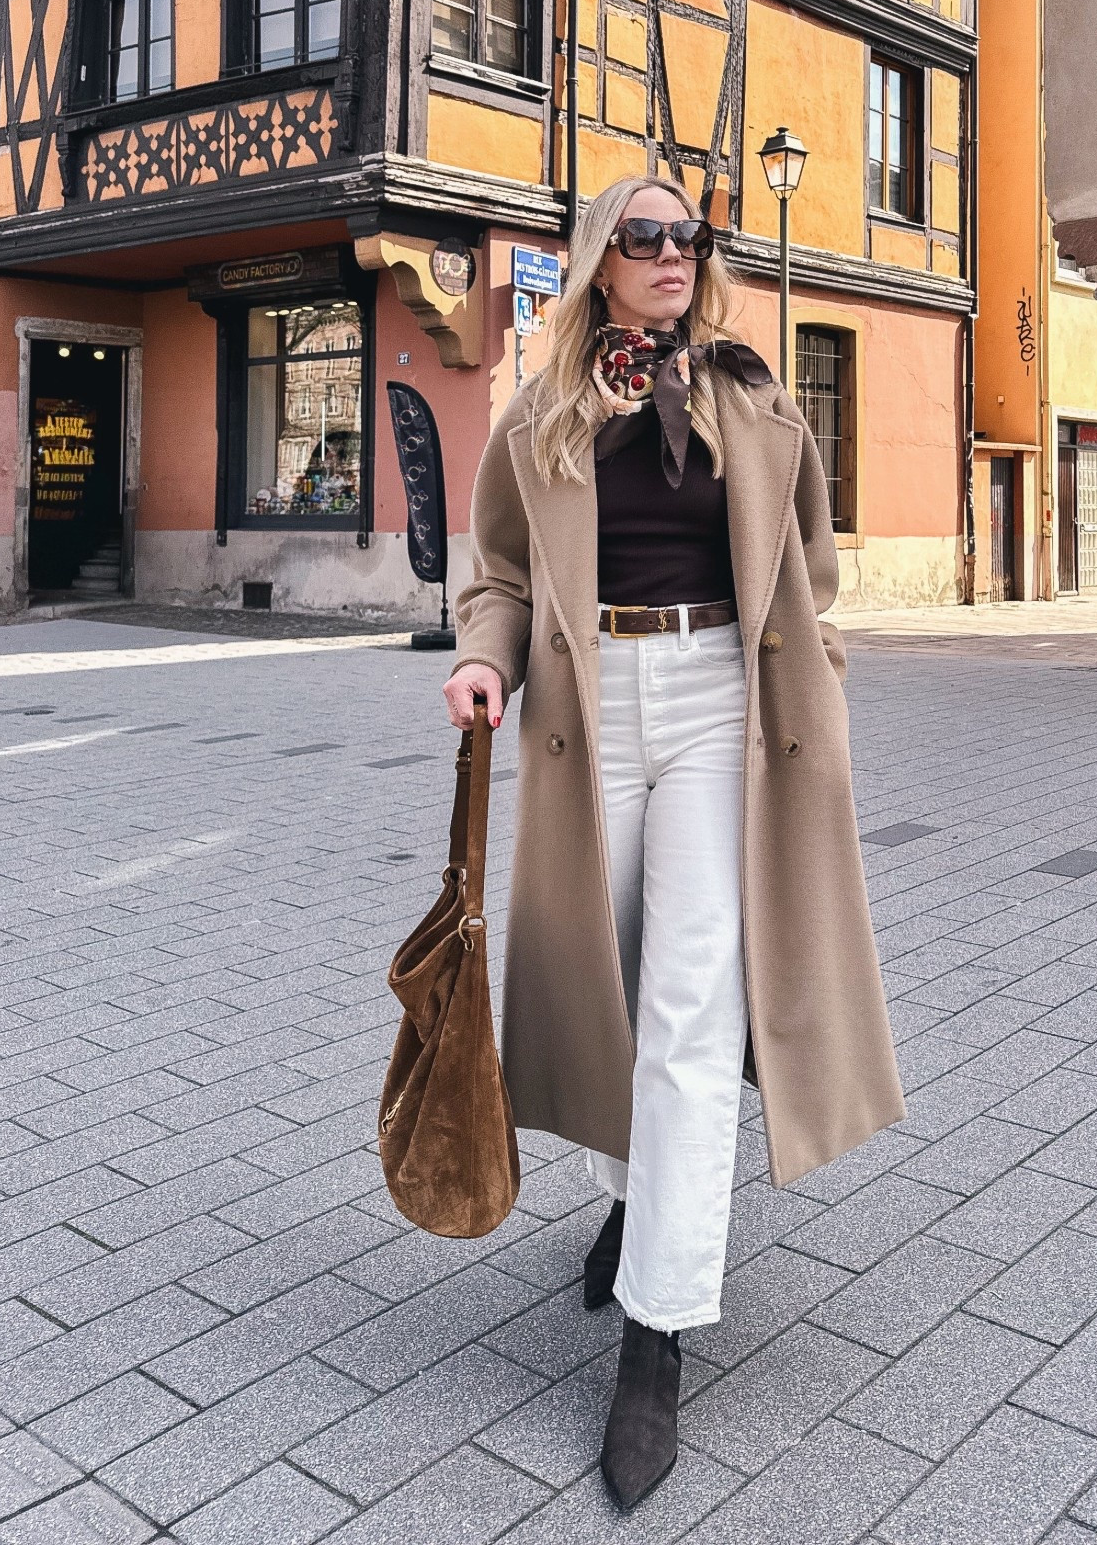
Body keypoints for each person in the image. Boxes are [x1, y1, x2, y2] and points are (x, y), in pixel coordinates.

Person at [443, 177, 904, 1507]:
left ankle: (657, 1335)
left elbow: (809, 577)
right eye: (638, 235)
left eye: (684, 237)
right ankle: (636, 1201)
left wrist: (815, 674)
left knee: (693, 1003)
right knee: (610, 984)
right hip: (589, 711)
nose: (666, 255)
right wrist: (483, 660)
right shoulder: (539, 416)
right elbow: (501, 575)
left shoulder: (756, 405)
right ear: (598, 259)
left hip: (720, 709)